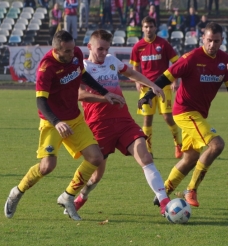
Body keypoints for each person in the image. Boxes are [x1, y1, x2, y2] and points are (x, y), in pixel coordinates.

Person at [4, 30, 125, 221]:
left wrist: (104, 93)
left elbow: (83, 75)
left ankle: (68, 196)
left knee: (96, 158)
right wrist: (56, 122)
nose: (72, 54)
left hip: (74, 118)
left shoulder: (75, 53)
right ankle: (17, 192)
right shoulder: (46, 68)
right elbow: (41, 103)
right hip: (52, 121)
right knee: (47, 167)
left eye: (72, 49)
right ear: (56, 50)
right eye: (67, 51)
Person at [64, 29, 170, 217]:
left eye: (107, 49)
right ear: (89, 47)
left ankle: (164, 202)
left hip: (123, 121)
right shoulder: (82, 68)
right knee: (96, 175)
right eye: (100, 49)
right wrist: (106, 98)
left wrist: (153, 85)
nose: (104, 53)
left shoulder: (112, 61)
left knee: (145, 157)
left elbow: (131, 72)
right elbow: (79, 95)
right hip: (98, 125)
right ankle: (81, 197)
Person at [138, 22, 228, 208]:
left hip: (199, 115)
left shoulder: (224, 61)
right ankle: (191, 189)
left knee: (190, 158)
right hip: (185, 111)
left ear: (222, 41)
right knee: (217, 144)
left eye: (216, 41)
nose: (212, 45)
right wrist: (148, 94)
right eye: (209, 40)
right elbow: (167, 76)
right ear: (202, 38)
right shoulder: (191, 58)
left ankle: (163, 192)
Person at [130, 16, 182, 159]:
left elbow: (176, 62)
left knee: (167, 117)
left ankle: (178, 144)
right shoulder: (138, 47)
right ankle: (148, 149)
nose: (148, 29)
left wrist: (174, 81)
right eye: (146, 27)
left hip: (163, 85)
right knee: (147, 119)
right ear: (142, 28)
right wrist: (137, 81)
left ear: (155, 28)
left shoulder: (163, 44)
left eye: (151, 26)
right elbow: (135, 66)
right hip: (146, 87)